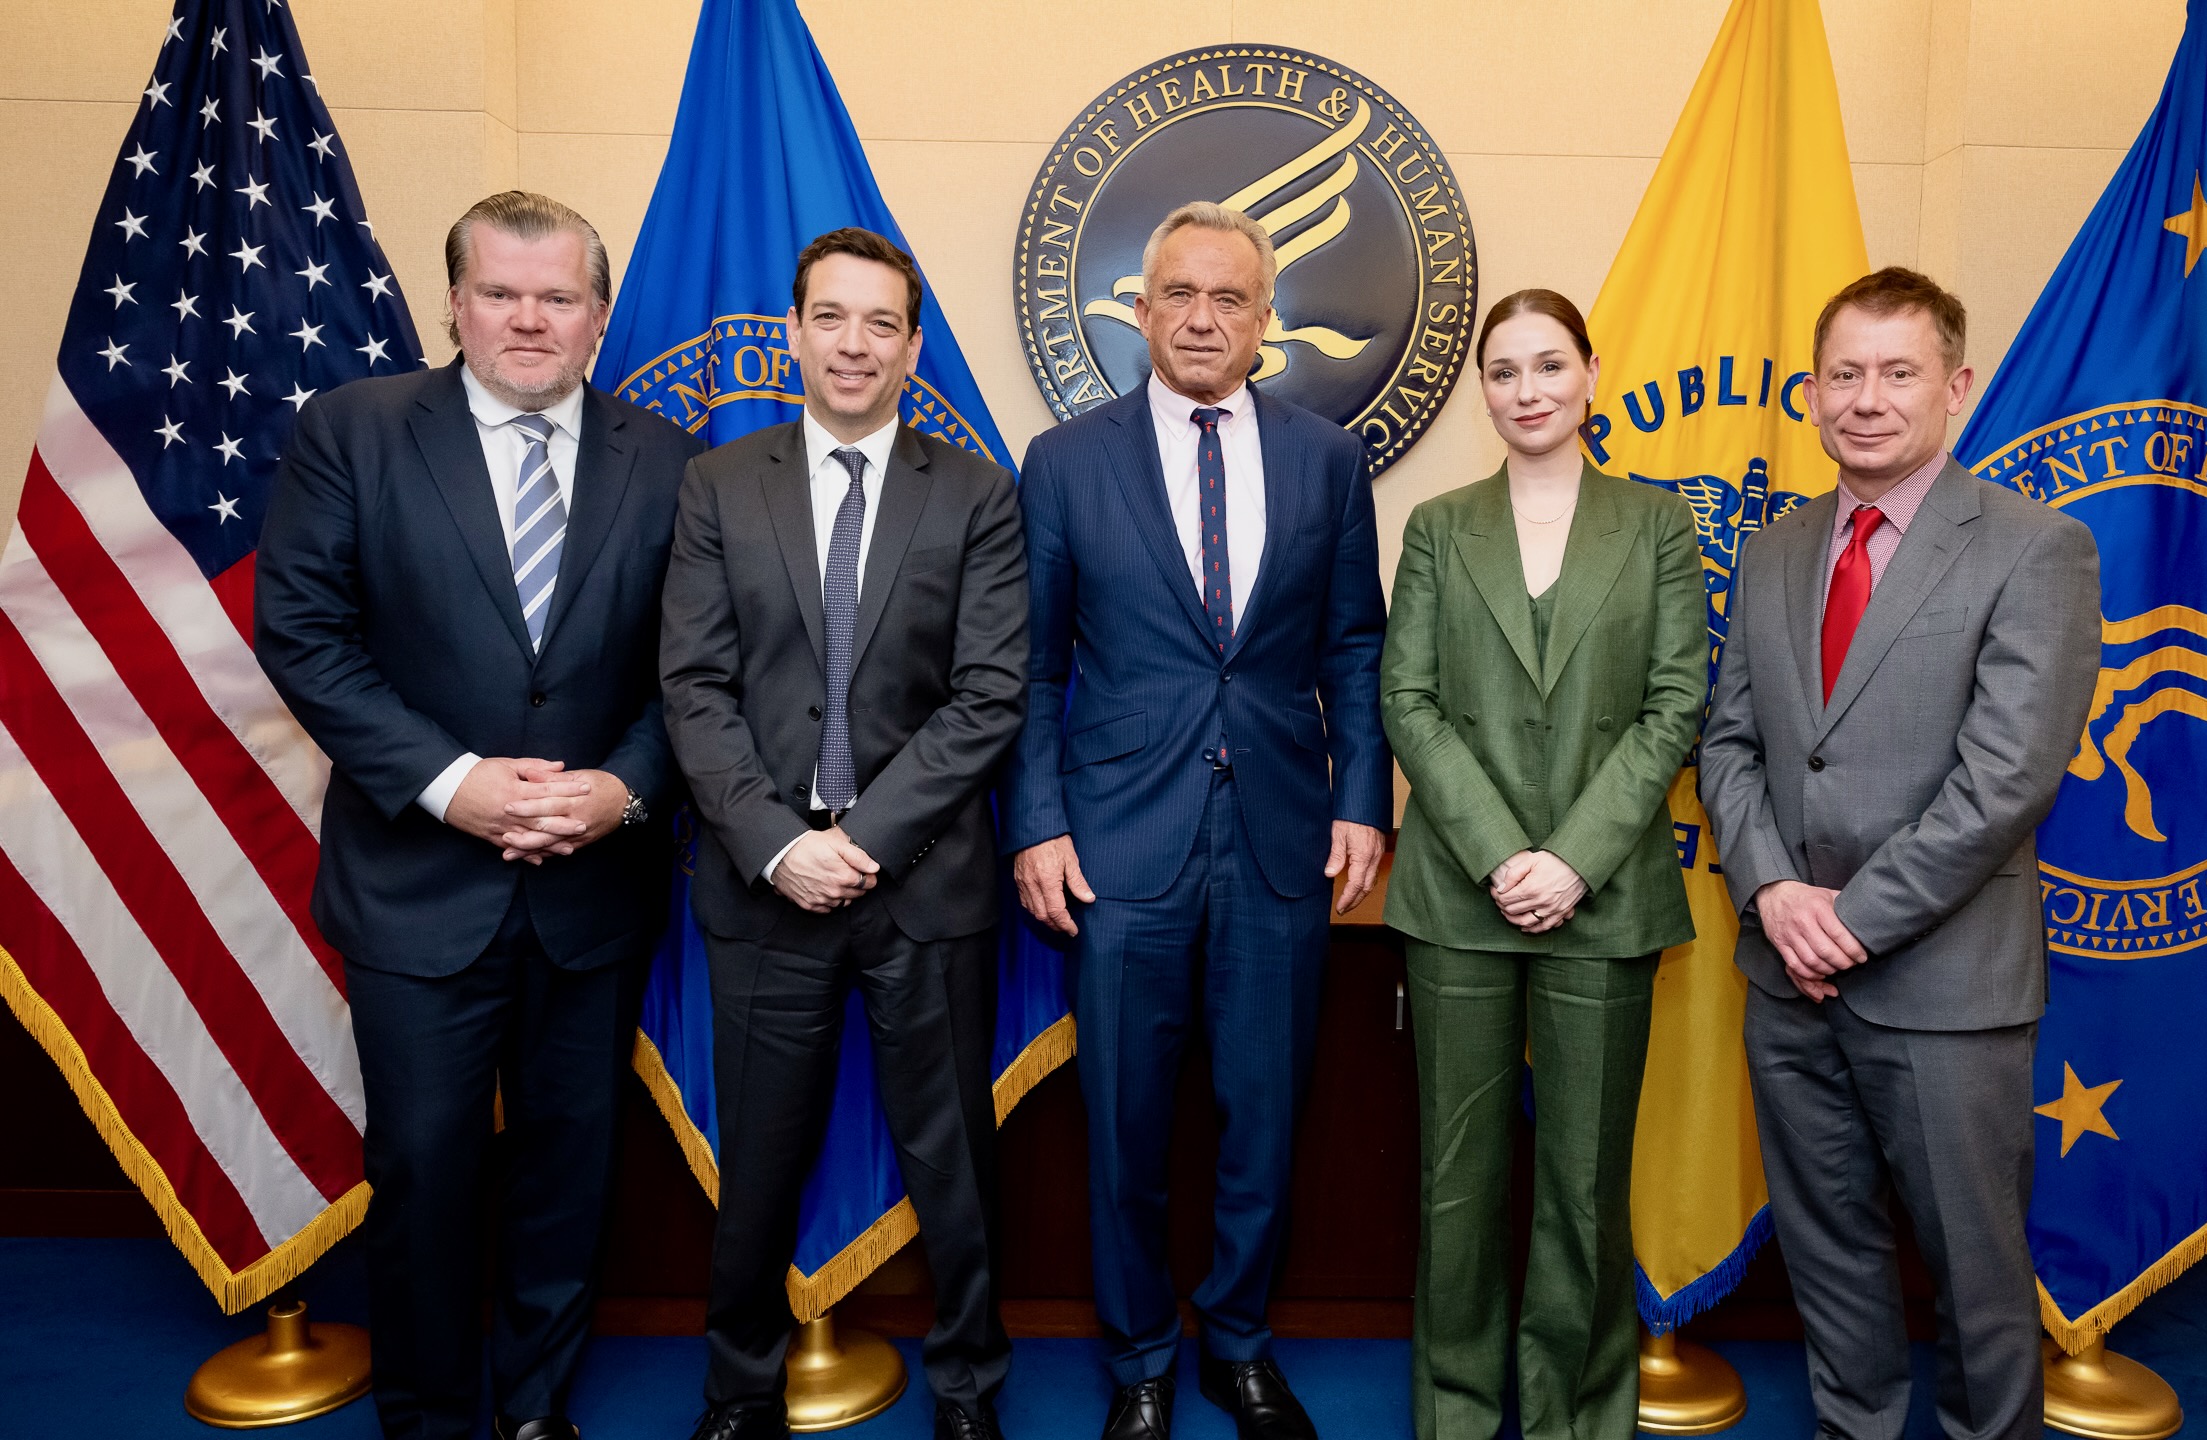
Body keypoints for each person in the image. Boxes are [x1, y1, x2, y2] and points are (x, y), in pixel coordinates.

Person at [254, 192, 701, 1440]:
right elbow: (304, 638)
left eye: (558, 297)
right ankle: (435, 1414)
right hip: (417, 884)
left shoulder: (670, 461)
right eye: (499, 292)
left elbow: (698, 673)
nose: (527, 319)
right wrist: (458, 785)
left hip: (592, 888)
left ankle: (536, 1408)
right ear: (451, 300)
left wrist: (624, 788)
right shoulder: (353, 432)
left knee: (569, 1173)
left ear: (601, 317)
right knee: (427, 1171)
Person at [1000, 201, 1390, 1440]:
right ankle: (1141, 1362)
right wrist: (1038, 823)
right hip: (1117, 845)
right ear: (1142, 308)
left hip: (1282, 839)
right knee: (1124, 1123)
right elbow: (1029, 667)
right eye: (1179, 294)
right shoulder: (1066, 462)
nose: (1204, 317)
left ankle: (1239, 1343)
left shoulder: (1328, 460)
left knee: (1264, 1116)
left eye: (1230, 297)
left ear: (1266, 318)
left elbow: (1353, 647)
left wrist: (1364, 801)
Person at [1697, 267, 2103, 1440]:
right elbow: (1731, 740)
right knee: (1829, 1259)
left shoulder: (2037, 549)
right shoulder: (1776, 550)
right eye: (1843, 374)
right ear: (1812, 392)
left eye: (1897, 372)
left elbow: (2008, 779)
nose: (1865, 399)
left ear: (1956, 387)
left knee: (1977, 1287)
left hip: (1944, 992)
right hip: (1786, 980)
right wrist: (1774, 889)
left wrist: (1850, 920)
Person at [660, 227, 1026, 1440]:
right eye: (832, 318)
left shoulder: (974, 491)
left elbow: (989, 696)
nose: (855, 344)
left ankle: (970, 1387)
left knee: (955, 1163)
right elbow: (694, 689)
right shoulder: (721, 484)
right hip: (764, 883)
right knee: (757, 1161)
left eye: (881, 324)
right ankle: (736, 1389)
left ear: (914, 348)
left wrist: (859, 837)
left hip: (923, 884)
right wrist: (779, 842)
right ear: (796, 332)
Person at [1381, 289, 1708, 1440]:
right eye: (1505, 370)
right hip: (1456, 900)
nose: (1528, 389)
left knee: (1581, 1183)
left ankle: (1573, 1416)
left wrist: (1567, 860)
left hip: (1606, 897)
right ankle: (1460, 1416)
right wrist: (1498, 854)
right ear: (1485, 389)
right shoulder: (1436, 524)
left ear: (1591, 376)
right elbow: (1405, 700)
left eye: (1549, 365)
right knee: (1457, 1188)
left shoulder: (1658, 525)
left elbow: (1677, 706)